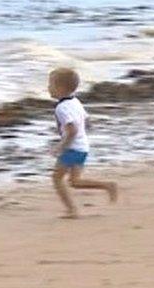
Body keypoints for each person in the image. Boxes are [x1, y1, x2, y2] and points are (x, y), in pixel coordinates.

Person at [48, 67, 117, 218]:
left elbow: (72, 131)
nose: (48, 88)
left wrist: (61, 147)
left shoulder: (62, 108)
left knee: (56, 178)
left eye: (50, 85)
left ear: (60, 88)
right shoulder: (75, 101)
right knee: (75, 182)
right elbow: (87, 121)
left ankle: (72, 210)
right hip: (83, 147)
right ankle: (107, 186)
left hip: (72, 148)